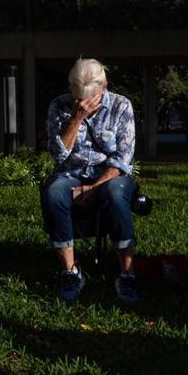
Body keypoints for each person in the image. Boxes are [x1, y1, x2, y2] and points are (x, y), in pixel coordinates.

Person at [41, 58, 139, 303]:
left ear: (103, 86)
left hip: (110, 175)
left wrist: (93, 188)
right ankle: (70, 271)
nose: (82, 103)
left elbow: (122, 159)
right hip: (70, 173)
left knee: (116, 194)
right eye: (77, 97)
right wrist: (76, 117)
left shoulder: (121, 106)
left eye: (88, 98)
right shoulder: (59, 106)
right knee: (54, 192)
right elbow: (58, 155)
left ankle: (127, 273)